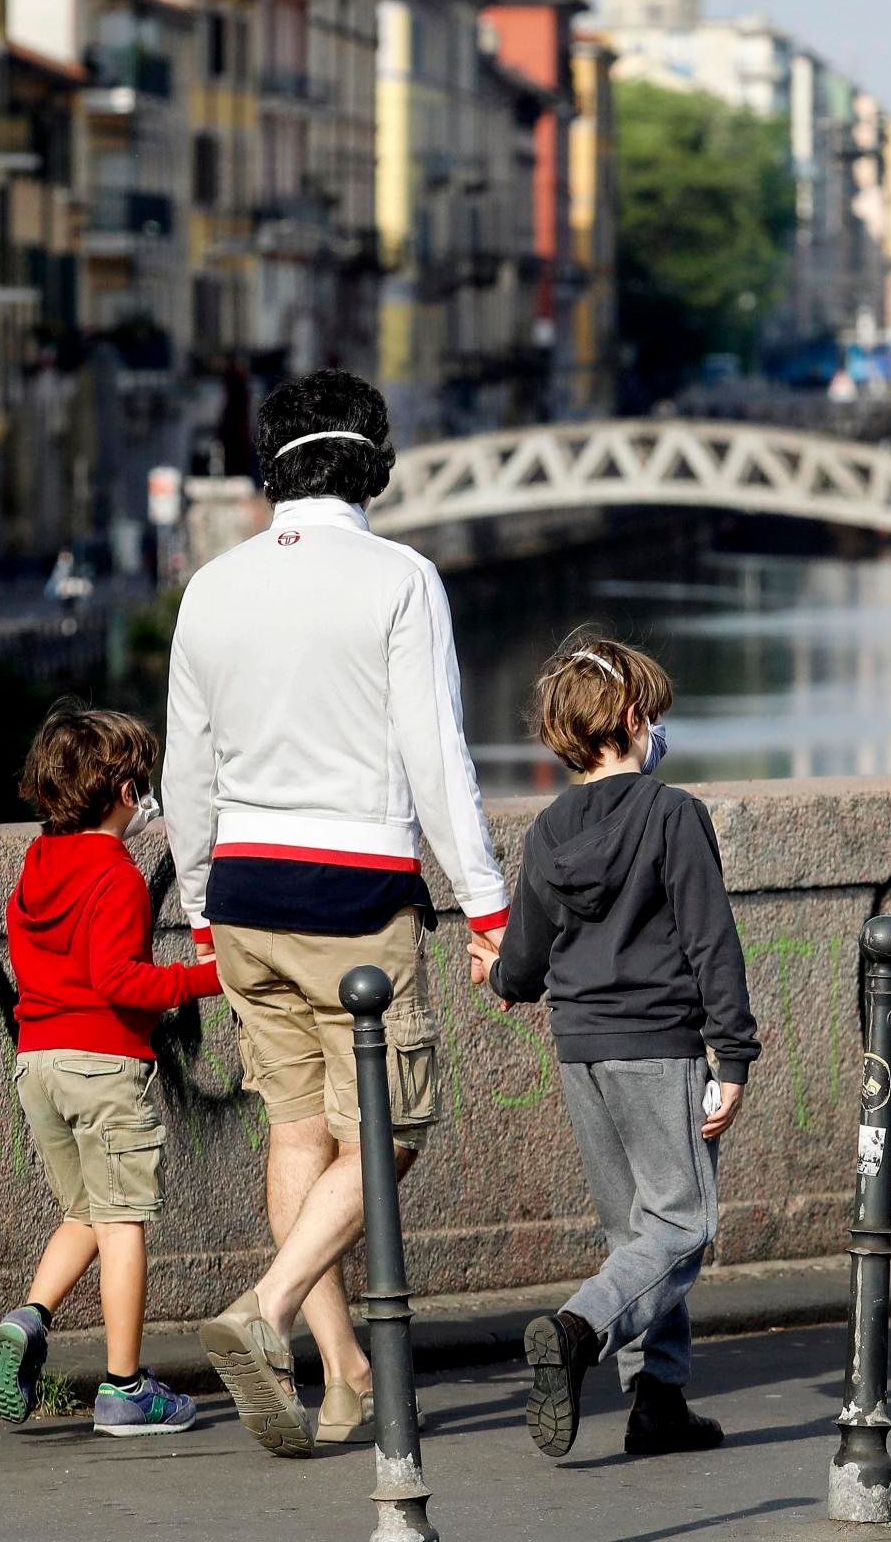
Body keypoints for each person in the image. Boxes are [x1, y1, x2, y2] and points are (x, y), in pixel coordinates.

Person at [165, 367, 510, 1460]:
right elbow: (433, 753)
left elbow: (187, 767)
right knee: (393, 1128)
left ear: (272, 464)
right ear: (376, 461)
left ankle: (348, 1377)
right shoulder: (399, 578)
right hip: (356, 892)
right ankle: (264, 1311)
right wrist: (486, 898)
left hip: (246, 893)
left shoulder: (210, 585)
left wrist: (198, 899)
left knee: (298, 1131)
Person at [490, 635, 754, 1462]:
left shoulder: (547, 831)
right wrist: (733, 1056)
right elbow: (712, 943)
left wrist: (497, 974)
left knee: (637, 1233)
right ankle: (577, 1329)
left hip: (581, 1052)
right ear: (634, 720)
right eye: (655, 718)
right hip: (658, 1045)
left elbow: (525, 965)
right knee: (685, 1221)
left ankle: (658, 1402)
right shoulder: (673, 815)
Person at [0, 701, 218, 1439]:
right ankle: (124, 1387)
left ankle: (30, 1317)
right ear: (122, 795)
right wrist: (205, 979)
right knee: (123, 1222)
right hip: (102, 1064)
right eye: (140, 782)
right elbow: (119, 981)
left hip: (37, 1063)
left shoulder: (36, 865)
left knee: (83, 1210)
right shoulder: (113, 875)